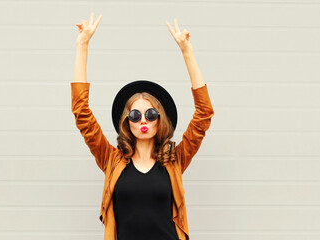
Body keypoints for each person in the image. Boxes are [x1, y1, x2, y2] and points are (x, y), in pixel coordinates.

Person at [72, 12, 214, 240]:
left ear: (161, 119)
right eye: (135, 115)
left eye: (150, 113)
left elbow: (204, 114)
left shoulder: (174, 161)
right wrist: (82, 45)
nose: (143, 120)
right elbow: (82, 114)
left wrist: (187, 53)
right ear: (127, 123)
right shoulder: (111, 161)